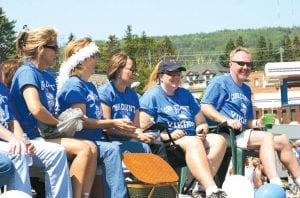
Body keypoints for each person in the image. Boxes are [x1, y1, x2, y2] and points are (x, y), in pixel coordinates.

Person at [201, 47, 300, 188]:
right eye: (241, 63)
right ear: (230, 64)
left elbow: (246, 121)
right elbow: (205, 106)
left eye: (249, 64)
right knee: (265, 137)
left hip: (242, 134)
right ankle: (275, 183)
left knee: (283, 140)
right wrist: (226, 120)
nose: (245, 67)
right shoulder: (220, 82)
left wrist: (258, 122)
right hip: (224, 134)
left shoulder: (246, 89)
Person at [56, 37, 136, 198]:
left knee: (139, 146)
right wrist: (113, 122)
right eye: (93, 56)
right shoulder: (74, 85)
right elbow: (80, 123)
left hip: (97, 139)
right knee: (112, 149)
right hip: (81, 140)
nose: (96, 60)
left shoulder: (90, 85)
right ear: (82, 60)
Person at [139, 59, 228, 198]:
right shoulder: (152, 96)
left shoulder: (185, 94)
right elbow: (143, 129)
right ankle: (212, 189)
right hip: (169, 144)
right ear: (161, 76)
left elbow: (202, 122)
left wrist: (202, 130)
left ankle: (199, 188)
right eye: (171, 73)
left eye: (178, 73)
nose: (176, 77)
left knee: (219, 140)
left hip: (192, 138)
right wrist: (169, 136)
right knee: (193, 142)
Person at [10, 27, 74, 198]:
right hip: (29, 137)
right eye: (54, 47)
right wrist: (59, 124)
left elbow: (51, 111)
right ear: (41, 49)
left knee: (89, 148)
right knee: (80, 149)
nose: (57, 52)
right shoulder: (27, 72)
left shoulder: (48, 77)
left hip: (44, 134)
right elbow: (36, 108)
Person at [97, 53, 154, 153]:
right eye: (131, 70)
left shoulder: (133, 95)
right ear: (119, 70)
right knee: (144, 148)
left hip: (129, 139)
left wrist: (144, 135)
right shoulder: (105, 92)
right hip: (110, 141)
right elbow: (107, 128)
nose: (134, 74)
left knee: (156, 145)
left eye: (135, 71)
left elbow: (136, 127)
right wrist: (134, 135)